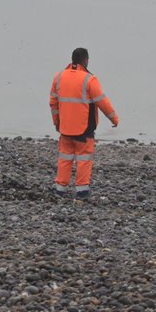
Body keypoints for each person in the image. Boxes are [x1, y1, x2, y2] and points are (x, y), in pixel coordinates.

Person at [49, 48, 118, 200]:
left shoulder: (59, 77)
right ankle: (82, 190)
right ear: (85, 60)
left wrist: (57, 123)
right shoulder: (89, 79)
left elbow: (53, 103)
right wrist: (114, 119)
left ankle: (60, 189)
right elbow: (102, 102)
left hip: (65, 128)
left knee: (65, 158)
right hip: (84, 129)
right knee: (84, 159)